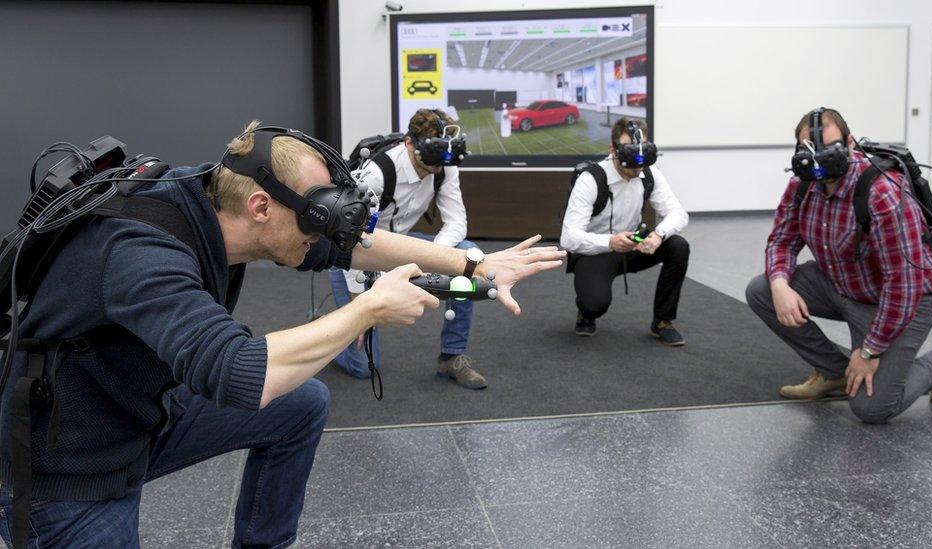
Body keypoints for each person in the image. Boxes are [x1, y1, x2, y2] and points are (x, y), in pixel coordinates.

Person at [0, 120, 564, 548]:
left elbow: (352, 243)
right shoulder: (140, 251)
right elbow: (243, 372)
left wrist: (473, 267)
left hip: (138, 411)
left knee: (303, 402)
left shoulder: (218, 197)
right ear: (261, 205)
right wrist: (366, 310)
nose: (324, 237)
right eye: (317, 218)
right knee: (276, 385)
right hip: (69, 467)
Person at [745, 107, 932, 424]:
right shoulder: (802, 185)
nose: (820, 159)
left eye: (830, 148)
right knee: (762, 290)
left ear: (849, 143)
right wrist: (780, 284)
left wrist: (869, 352)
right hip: (843, 283)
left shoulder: (881, 192)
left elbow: (902, 286)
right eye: (810, 150)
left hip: (903, 298)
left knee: (871, 408)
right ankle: (835, 373)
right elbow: (781, 240)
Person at [331, 108, 489, 389]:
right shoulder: (377, 174)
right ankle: (330, 335)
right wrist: (358, 302)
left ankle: (451, 356)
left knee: (467, 256)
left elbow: (456, 222)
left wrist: (436, 257)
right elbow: (346, 235)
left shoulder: (443, 167)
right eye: (433, 154)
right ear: (409, 143)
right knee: (364, 367)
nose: (439, 166)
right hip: (354, 251)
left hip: (402, 242)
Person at [560, 117, 690, 345]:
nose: (638, 166)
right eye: (631, 155)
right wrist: (609, 242)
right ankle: (586, 313)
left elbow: (678, 213)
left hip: (633, 245)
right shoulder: (591, 179)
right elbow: (568, 238)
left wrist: (658, 235)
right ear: (613, 150)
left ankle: (662, 321)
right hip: (597, 250)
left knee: (678, 246)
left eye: (642, 155)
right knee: (594, 304)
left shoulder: (647, 173)